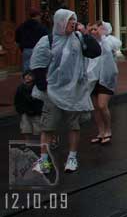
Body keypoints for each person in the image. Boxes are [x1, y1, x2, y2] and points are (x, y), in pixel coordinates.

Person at [30, 9, 101, 174]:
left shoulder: (78, 38)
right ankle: (44, 160)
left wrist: (85, 33)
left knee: (73, 126)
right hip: (53, 92)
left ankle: (72, 157)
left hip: (73, 91)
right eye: (70, 20)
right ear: (60, 22)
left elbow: (95, 52)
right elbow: (38, 64)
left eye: (74, 20)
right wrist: (43, 86)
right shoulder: (48, 40)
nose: (73, 23)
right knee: (48, 127)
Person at [87, 21, 121, 145]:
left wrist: (102, 36)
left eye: (97, 29)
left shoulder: (110, 40)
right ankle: (100, 132)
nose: (94, 32)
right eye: (93, 30)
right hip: (93, 78)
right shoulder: (91, 42)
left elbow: (109, 49)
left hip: (106, 78)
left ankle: (108, 129)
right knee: (95, 108)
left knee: (102, 105)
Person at [14, 70, 43, 141]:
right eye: (26, 75)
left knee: (39, 129)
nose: (27, 77)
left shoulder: (37, 87)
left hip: (37, 112)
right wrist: (20, 111)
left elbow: (41, 100)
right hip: (25, 111)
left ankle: (45, 142)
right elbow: (17, 100)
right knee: (25, 128)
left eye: (30, 75)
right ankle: (27, 142)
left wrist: (39, 110)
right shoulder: (20, 88)